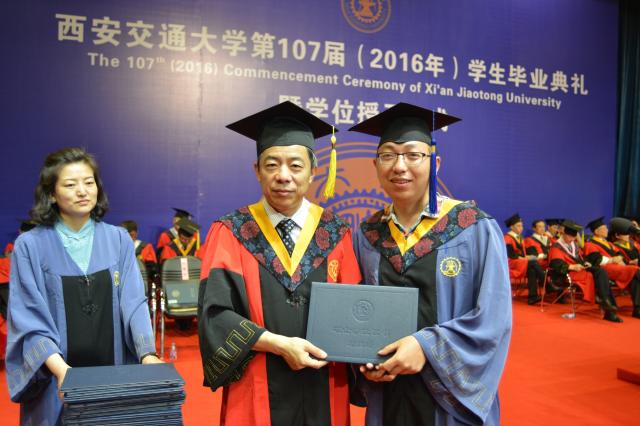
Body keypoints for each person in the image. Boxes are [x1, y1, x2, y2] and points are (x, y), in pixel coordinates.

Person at [197, 101, 362, 425]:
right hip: (255, 385)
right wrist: (278, 345)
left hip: (324, 384)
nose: (283, 176)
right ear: (257, 170)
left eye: (295, 166)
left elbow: (355, 310)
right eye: (271, 165)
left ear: (313, 171)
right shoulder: (231, 231)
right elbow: (214, 315)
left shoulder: (335, 232)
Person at [348, 103, 512, 425]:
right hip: (388, 395)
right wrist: (363, 361)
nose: (400, 166)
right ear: (376, 164)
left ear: (434, 163)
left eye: (413, 155)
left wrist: (425, 347)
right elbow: (358, 311)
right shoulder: (367, 234)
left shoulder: (473, 227)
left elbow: (493, 319)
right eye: (388, 155)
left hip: (447, 402)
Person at [5, 147, 161, 425]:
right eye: (70, 184)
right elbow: (29, 319)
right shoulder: (30, 246)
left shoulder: (118, 240)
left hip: (113, 375)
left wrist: (147, 353)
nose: (82, 191)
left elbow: (134, 303)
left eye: (89, 182)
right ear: (52, 194)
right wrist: (63, 372)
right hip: (56, 380)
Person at [548, 219, 620, 322]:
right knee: (594, 277)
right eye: (569, 236)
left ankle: (605, 301)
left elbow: (580, 258)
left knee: (601, 271)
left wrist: (585, 263)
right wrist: (571, 267)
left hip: (579, 270)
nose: (571, 239)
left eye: (573, 237)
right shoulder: (556, 246)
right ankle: (607, 307)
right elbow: (555, 265)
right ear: (563, 233)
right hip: (564, 274)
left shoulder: (574, 244)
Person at [583, 217, 640, 319]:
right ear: (596, 231)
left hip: (617, 268)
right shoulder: (590, 244)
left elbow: (619, 254)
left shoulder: (608, 243)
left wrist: (620, 259)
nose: (607, 230)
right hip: (605, 268)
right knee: (635, 270)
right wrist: (612, 260)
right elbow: (596, 260)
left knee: (635, 277)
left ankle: (637, 308)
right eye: (604, 228)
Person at [504, 213, 543, 304]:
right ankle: (546, 282)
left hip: (520, 262)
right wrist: (524, 258)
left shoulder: (520, 238)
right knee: (532, 262)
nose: (521, 228)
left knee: (531, 269)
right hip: (511, 263)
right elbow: (510, 255)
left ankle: (532, 297)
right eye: (518, 226)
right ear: (511, 227)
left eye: (521, 226)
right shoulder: (507, 238)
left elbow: (522, 254)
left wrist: (525, 257)